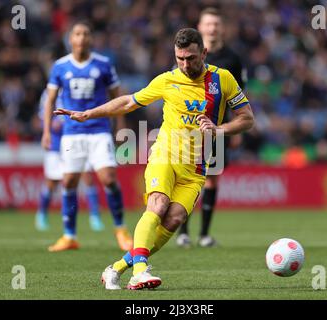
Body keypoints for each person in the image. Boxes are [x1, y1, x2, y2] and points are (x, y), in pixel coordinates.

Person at [55, 28, 254, 290]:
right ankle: (140, 271)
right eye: (180, 58)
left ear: (204, 53)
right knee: (157, 205)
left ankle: (116, 268)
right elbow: (128, 102)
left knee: (173, 219)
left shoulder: (223, 79)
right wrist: (88, 114)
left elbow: (247, 118)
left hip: (196, 169)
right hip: (165, 156)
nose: (185, 64)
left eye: (191, 58)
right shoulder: (167, 80)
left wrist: (220, 130)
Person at [42, 21, 133, 252]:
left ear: (91, 39)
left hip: (99, 130)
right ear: (70, 39)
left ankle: (121, 230)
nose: (82, 37)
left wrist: (121, 127)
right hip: (71, 133)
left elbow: (117, 98)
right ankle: (69, 235)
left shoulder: (103, 64)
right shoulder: (60, 66)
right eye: (77, 33)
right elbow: (50, 101)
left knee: (108, 178)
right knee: (69, 182)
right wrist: (46, 131)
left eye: (86, 33)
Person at [176, 7, 245, 248]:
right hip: (188, 129)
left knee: (212, 180)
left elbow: (239, 96)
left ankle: (204, 234)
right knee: (186, 179)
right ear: (200, 26)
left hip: (217, 129)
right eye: (208, 24)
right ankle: (182, 232)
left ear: (222, 28)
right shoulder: (188, 54)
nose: (213, 28)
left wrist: (232, 129)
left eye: (216, 24)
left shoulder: (232, 59)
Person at [36, 89, 104, 232]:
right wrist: (49, 127)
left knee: (87, 176)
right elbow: (43, 116)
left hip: (75, 140)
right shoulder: (49, 93)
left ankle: (95, 216)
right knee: (52, 182)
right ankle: (42, 214)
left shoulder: (76, 89)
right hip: (56, 144)